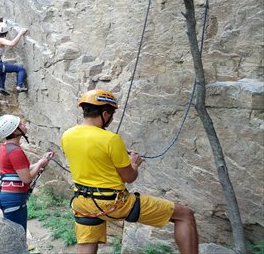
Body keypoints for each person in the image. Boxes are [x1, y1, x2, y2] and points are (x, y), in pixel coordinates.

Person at [61, 89, 198, 254]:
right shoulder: (111, 139)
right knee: (185, 215)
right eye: (111, 114)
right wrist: (134, 164)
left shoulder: (67, 135)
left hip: (82, 201)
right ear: (105, 113)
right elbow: (129, 177)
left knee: (87, 242)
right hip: (113, 203)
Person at [0, 114, 54, 232]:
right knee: (18, 234)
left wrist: (41, 162)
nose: (24, 125)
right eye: (20, 124)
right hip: (13, 198)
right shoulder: (15, 151)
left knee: (15, 233)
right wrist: (41, 164)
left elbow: (19, 170)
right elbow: (26, 178)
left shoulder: (5, 147)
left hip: (6, 195)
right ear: (15, 131)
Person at [0, 18, 29, 96]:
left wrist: (2, 23)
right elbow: (12, 43)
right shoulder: (1, 40)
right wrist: (20, 33)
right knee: (20, 69)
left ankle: (1, 87)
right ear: (5, 33)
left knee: (2, 70)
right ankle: (19, 86)